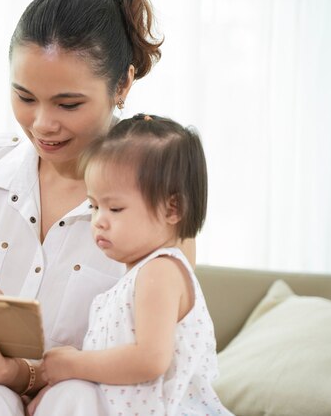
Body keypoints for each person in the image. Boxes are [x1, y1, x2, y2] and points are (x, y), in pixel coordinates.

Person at [0, 0, 194, 414]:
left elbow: (155, 364)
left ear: (122, 85)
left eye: (68, 104)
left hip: (94, 400)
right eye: (24, 97)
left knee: (76, 397)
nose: (42, 124)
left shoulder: (157, 200)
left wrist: (36, 380)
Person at [37, 113, 232, 415]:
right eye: (94, 205)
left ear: (173, 208)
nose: (99, 220)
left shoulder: (160, 271)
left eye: (115, 208)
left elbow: (150, 359)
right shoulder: (134, 278)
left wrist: (74, 364)